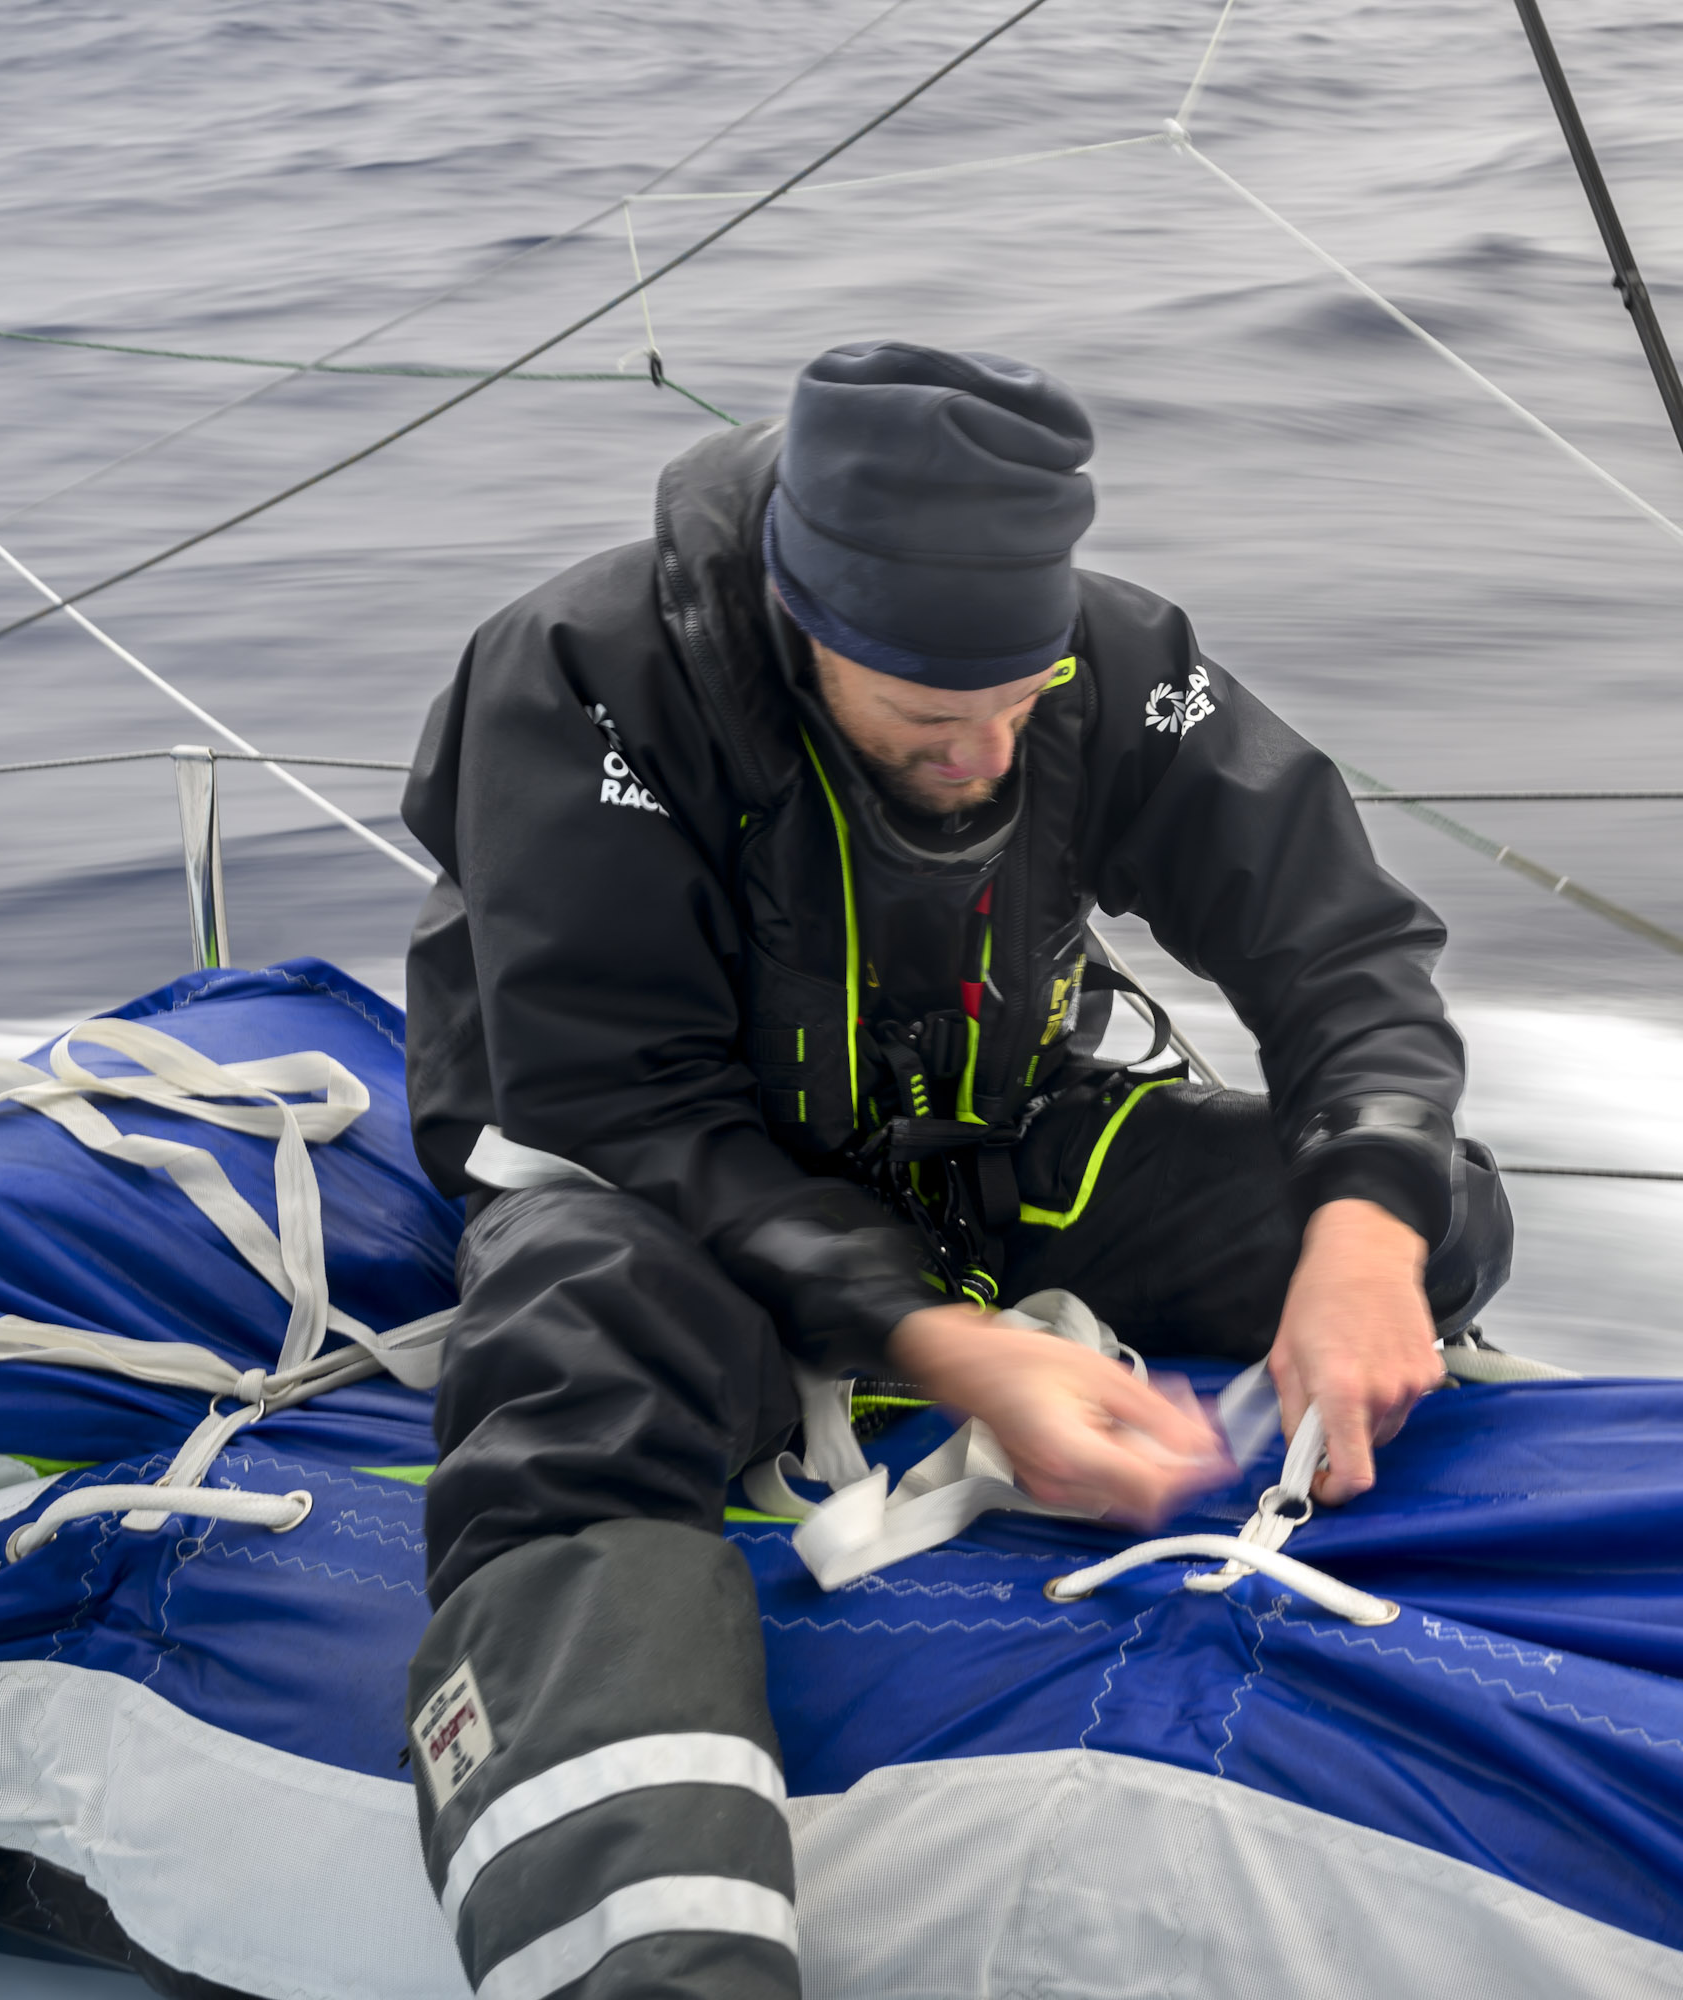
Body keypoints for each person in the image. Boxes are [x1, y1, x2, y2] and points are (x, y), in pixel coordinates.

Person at [394, 339, 1514, 2000]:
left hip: (981, 1148)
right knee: (579, 1361)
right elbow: (625, 1103)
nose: (990, 754)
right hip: (655, 1183)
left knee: (1437, 1209)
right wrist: (944, 1342)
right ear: (805, 619)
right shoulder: (576, 674)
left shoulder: (1118, 660)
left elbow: (1339, 954)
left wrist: (1364, 1233)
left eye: (1025, 700)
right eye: (935, 713)